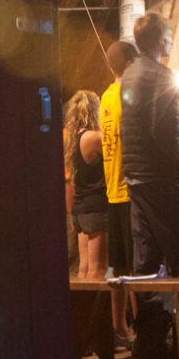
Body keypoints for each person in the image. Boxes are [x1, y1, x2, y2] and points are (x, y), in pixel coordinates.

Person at [117, 13, 179, 280]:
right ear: (161, 41)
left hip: (135, 176)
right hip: (160, 177)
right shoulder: (161, 75)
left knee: (145, 256)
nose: (171, 43)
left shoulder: (129, 74)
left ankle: (150, 320)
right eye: (170, 38)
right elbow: (167, 134)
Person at [97, 38, 136, 282]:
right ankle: (141, 318)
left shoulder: (105, 97)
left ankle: (120, 320)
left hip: (112, 189)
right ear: (131, 64)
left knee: (119, 266)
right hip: (130, 190)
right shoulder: (128, 95)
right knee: (136, 266)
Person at [63, 89, 106, 279]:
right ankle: (100, 309)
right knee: (99, 268)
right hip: (96, 206)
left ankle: (84, 307)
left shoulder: (71, 140)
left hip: (79, 208)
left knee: (84, 268)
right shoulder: (94, 138)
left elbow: (70, 180)